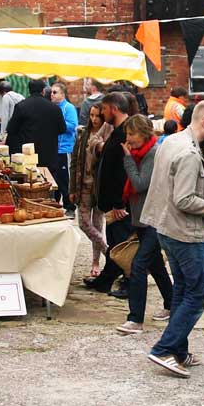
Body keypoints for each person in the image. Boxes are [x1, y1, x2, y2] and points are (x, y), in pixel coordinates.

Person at [141, 100, 204, 379]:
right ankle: (164, 349)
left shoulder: (171, 140)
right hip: (185, 233)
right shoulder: (190, 153)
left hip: (165, 227)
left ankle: (177, 351)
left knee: (182, 290)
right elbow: (185, 199)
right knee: (197, 293)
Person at [116, 114, 173, 335]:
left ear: (144, 133)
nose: (128, 139)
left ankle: (135, 319)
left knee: (139, 265)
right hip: (143, 218)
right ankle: (172, 304)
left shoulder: (151, 153)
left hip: (155, 219)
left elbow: (140, 183)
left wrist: (127, 159)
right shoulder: (142, 153)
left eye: (132, 134)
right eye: (127, 134)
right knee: (155, 265)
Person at [85, 92, 133, 296]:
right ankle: (106, 279)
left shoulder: (125, 133)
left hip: (120, 203)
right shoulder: (116, 131)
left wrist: (119, 203)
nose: (102, 114)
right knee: (115, 243)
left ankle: (130, 282)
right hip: (112, 201)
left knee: (123, 244)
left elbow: (123, 171)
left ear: (113, 108)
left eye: (104, 109)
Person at [70, 103, 112, 277]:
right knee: (84, 223)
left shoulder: (108, 136)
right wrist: (72, 187)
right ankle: (109, 253)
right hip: (83, 184)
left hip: (100, 186)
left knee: (97, 223)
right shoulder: (83, 135)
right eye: (92, 115)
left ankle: (95, 262)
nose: (94, 119)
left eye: (97, 116)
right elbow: (74, 162)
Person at [5, 79, 65, 189]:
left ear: (29, 91)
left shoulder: (21, 106)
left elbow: (11, 129)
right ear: (43, 91)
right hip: (49, 157)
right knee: (49, 190)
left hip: (27, 160)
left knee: (27, 190)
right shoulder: (55, 109)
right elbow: (62, 129)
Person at [49, 83, 79, 211]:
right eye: (51, 92)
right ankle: (55, 204)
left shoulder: (69, 108)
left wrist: (57, 124)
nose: (52, 94)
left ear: (62, 94)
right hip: (53, 149)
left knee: (65, 179)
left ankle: (69, 206)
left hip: (65, 148)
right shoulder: (51, 107)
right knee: (54, 178)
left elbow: (73, 125)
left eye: (55, 92)